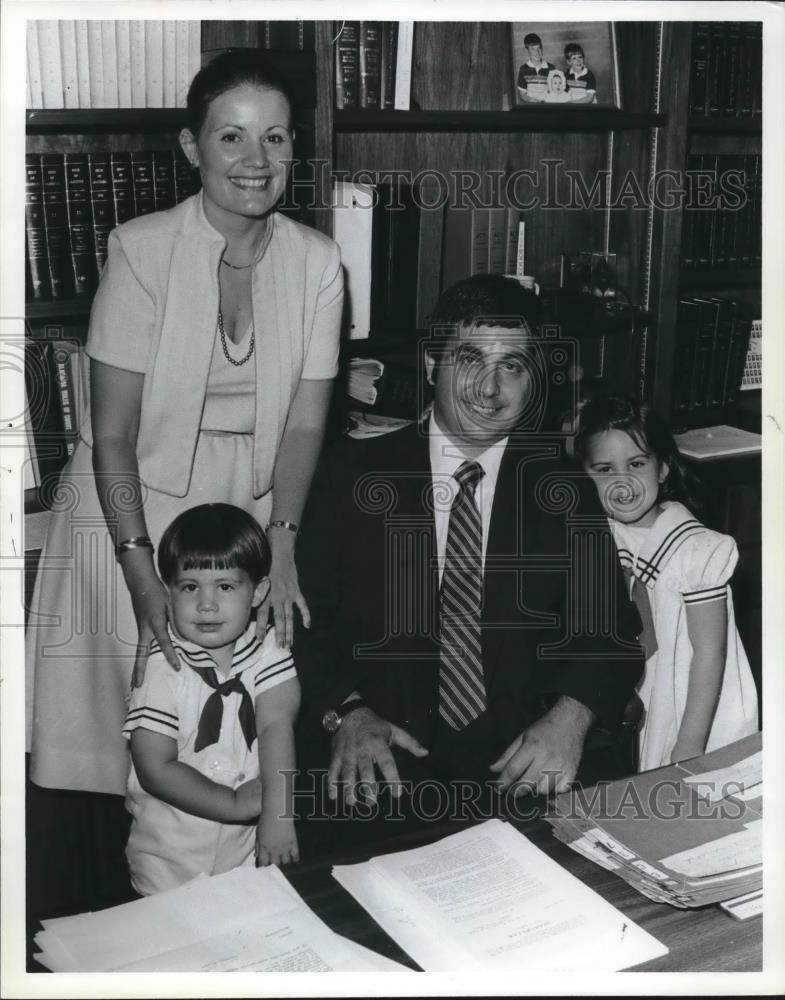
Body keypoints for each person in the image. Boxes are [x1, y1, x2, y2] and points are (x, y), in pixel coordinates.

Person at [26, 49, 343, 796]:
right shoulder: (141, 250)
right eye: (231, 136)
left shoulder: (319, 262)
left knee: (232, 738)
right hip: (129, 510)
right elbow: (111, 436)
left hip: (251, 517)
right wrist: (142, 583)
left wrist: (285, 542)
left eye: (275, 136)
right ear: (190, 146)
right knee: (125, 743)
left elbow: (304, 426)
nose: (255, 159)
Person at [294, 276, 644, 846]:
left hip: (520, 770)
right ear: (433, 363)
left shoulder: (562, 489)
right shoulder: (347, 476)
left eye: (513, 366)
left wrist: (571, 718)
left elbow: (611, 630)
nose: (490, 387)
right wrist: (346, 713)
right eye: (470, 359)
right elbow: (304, 620)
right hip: (383, 770)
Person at [574, 394, 758, 771]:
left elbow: (710, 654)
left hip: (694, 704)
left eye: (636, 463)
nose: (622, 482)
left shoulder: (697, 550)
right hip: (641, 697)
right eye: (604, 469)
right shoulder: (602, 535)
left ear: (661, 469)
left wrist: (690, 745)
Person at [123, 504, 299, 895]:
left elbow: (276, 725)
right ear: (168, 593)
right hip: (168, 864)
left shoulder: (267, 649)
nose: (206, 603)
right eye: (190, 587)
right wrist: (235, 804)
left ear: (258, 592)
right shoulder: (161, 663)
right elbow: (155, 766)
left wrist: (279, 815)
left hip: (245, 856)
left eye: (225, 586)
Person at [516, 33, 555, 103]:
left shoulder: (551, 68)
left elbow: (555, 90)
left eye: (539, 48)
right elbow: (522, 94)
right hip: (531, 106)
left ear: (542, 48)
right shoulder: (524, 69)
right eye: (532, 49)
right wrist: (534, 101)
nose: (537, 52)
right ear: (527, 50)